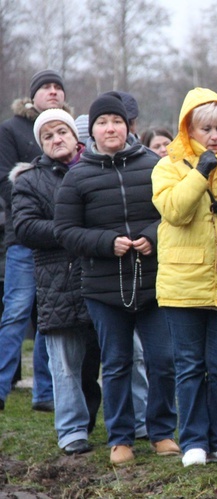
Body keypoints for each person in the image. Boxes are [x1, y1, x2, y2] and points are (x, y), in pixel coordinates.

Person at [54, 92, 178, 465]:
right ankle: (121, 437)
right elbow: (65, 231)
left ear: (129, 126)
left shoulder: (155, 165)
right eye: (103, 122)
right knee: (117, 362)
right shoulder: (78, 175)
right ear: (92, 130)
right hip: (103, 287)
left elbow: (173, 213)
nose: (111, 128)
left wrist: (152, 237)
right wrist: (107, 242)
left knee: (163, 361)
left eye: (117, 121)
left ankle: (161, 432)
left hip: (154, 283)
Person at [152, 87, 217, 467]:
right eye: (206, 127)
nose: (214, 135)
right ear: (188, 128)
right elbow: (174, 211)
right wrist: (200, 172)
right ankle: (193, 440)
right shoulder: (166, 166)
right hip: (182, 286)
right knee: (190, 366)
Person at [10, 108, 100, 455]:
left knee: (125, 357)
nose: (56, 139)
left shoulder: (97, 167)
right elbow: (26, 228)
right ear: (40, 144)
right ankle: (72, 432)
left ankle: (134, 426)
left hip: (103, 276)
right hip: (57, 281)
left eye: (60, 131)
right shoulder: (29, 179)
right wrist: (74, 232)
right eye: (47, 136)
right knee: (65, 363)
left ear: (76, 135)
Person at [0, 69, 61, 412]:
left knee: (50, 317)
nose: (52, 92)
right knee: (17, 312)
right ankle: (0, 388)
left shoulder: (65, 129)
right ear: (32, 96)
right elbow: (3, 182)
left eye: (57, 87)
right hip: (23, 237)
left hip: (57, 241)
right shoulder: (10, 130)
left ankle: (44, 394)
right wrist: (38, 205)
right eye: (46, 87)